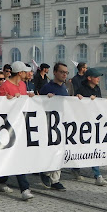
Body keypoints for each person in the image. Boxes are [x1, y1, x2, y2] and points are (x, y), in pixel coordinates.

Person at [0, 61, 36, 200]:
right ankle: (23, 188)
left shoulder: (23, 85)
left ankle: (4, 182)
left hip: (20, 126)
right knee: (10, 155)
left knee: (16, 156)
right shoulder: (4, 86)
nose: (28, 73)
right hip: (7, 128)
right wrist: (6, 100)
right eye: (25, 71)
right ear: (20, 73)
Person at [75, 67, 107, 185]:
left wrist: (106, 101)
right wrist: (81, 99)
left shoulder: (97, 89)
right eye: (96, 77)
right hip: (83, 124)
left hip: (94, 123)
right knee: (80, 147)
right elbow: (75, 104)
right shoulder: (81, 89)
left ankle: (97, 175)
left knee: (93, 148)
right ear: (89, 78)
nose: (98, 79)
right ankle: (75, 168)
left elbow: (99, 104)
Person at [38, 62, 70, 191]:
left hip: (62, 123)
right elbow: (39, 103)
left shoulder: (65, 88)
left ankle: (55, 180)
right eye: (62, 72)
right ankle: (45, 172)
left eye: (66, 72)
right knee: (50, 150)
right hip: (49, 124)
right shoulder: (47, 87)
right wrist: (47, 99)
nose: (64, 75)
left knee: (60, 152)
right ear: (55, 72)